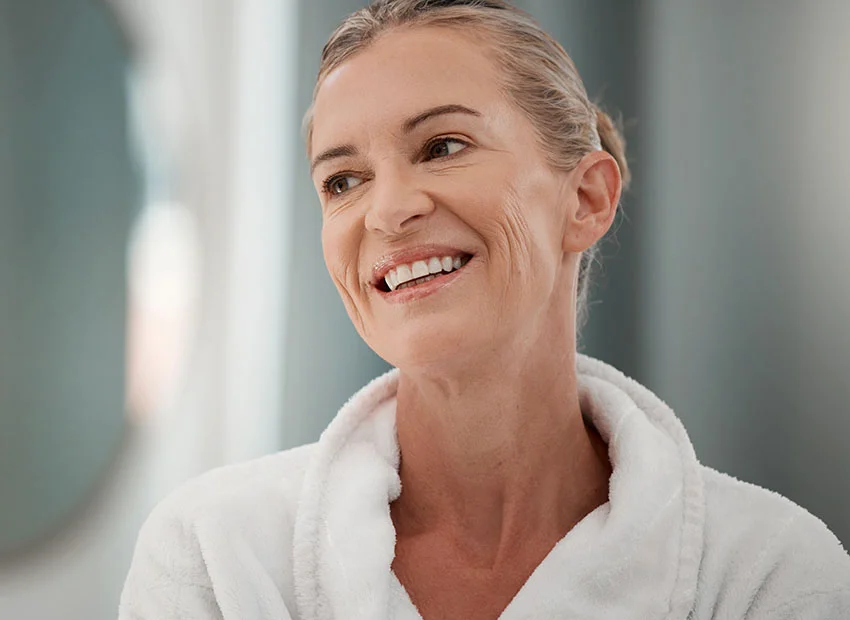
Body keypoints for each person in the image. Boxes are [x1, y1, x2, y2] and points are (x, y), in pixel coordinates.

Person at [118, 1, 850, 618]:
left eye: (442, 145)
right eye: (343, 181)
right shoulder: (215, 557)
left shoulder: (769, 574)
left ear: (587, 198)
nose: (388, 211)